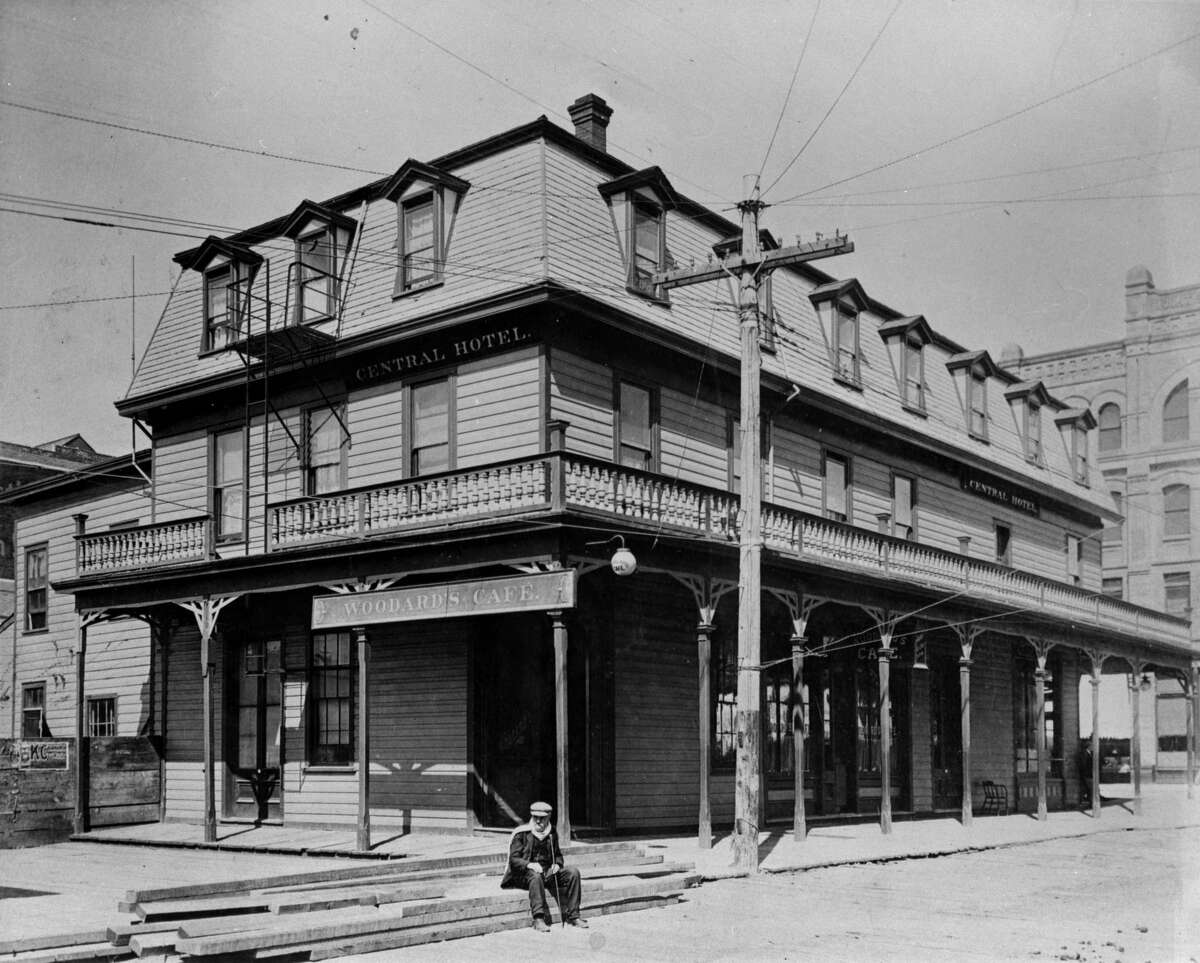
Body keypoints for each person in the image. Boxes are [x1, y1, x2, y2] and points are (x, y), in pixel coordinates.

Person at [500, 800, 587, 932]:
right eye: (536, 818)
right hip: (525, 876)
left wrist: (557, 864)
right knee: (535, 876)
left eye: (542, 818)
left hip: (547, 874)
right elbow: (514, 860)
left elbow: (558, 855)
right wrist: (529, 864)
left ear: (548, 818)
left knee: (573, 872)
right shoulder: (522, 833)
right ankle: (538, 919)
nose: (539, 821)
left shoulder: (551, 833)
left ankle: (574, 916)